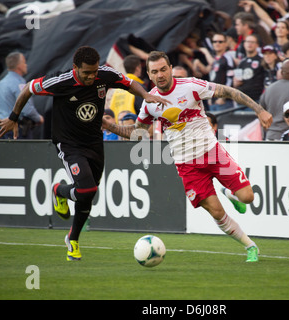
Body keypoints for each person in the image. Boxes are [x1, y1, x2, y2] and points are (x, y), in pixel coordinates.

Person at [0, 46, 170, 261]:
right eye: (87, 72)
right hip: (69, 144)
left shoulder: (104, 75)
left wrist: (144, 95)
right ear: (75, 68)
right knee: (86, 189)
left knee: (89, 193)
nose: (92, 76)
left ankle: (73, 239)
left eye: (94, 72)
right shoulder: (60, 81)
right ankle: (59, 191)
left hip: (94, 142)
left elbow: (129, 83)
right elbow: (28, 89)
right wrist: (13, 117)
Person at [102, 51, 273, 262]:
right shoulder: (149, 103)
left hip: (212, 153)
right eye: (154, 71)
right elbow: (137, 133)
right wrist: (108, 125)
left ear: (171, 68)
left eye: (163, 69)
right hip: (187, 166)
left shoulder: (191, 86)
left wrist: (259, 110)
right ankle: (250, 247)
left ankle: (231, 194)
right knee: (217, 213)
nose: (160, 75)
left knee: (248, 197)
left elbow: (227, 91)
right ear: (148, 74)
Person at [0, 52, 44, 139]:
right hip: (17, 129)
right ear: (19, 65)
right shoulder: (19, 83)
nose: (26, 65)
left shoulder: (0, 84)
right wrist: (38, 118)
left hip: (3, 128)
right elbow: (26, 108)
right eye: (24, 62)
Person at [233, 34, 264, 106]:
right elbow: (237, 81)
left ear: (257, 45)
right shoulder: (242, 62)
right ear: (244, 44)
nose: (249, 44)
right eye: (247, 42)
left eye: (252, 42)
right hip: (241, 99)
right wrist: (235, 83)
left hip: (255, 100)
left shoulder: (262, 60)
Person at [207, 33, 235, 111]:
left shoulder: (228, 57)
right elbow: (211, 79)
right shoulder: (214, 59)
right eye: (215, 41)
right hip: (212, 100)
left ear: (226, 44)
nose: (217, 43)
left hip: (223, 102)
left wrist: (223, 98)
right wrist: (209, 97)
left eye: (220, 41)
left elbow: (230, 79)